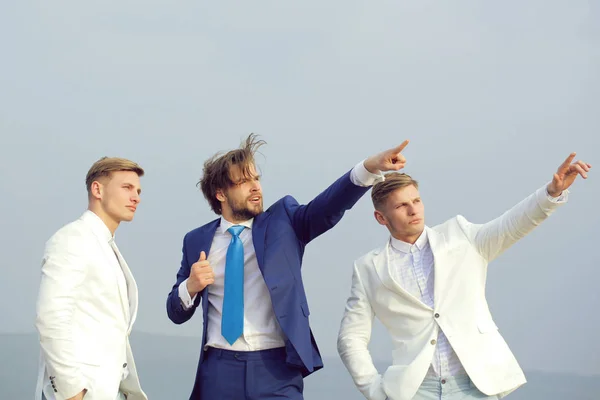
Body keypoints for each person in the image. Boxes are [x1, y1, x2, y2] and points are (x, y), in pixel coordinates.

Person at [166, 134, 409, 399]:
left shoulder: (284, 222)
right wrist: (190, 287)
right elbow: (175, 312)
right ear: (221, 193)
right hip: (219, 371)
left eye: (256, 178)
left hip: (275, 371)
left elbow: (327, 206)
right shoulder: (196, 241)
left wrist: (370, 167)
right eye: (244, 181)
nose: (255, 187)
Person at [337, 153, 591, 400]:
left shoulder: (460, 235)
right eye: (402, 205)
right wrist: (375, 391)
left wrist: (551, 193)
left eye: (416, 200)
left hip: (476, 385)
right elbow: (351, 337)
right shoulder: (368, 268)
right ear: (381, 217)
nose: (413, 210)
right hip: (415, 390)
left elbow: (510, 225)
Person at [35, 157, 148, 400]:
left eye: (138, 190)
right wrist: (72, 391)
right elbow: (51, 318)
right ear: (97, 189)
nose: (136, 197)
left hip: (106, 390)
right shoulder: (71, 239)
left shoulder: (106, 246)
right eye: (127, 188)